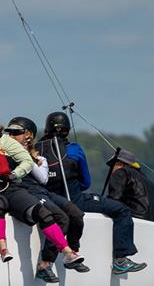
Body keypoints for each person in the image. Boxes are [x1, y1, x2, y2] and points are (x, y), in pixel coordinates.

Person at [0, 114, 87, 270]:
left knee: (44, 212)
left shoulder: (5, 143)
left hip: (10, 186)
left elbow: (28, 162)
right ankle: (4, 249)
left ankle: (68, 252)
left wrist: (15, 174)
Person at [37, 111, 147, 275]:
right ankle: (120, 260)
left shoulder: (36, 151)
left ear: (46, 130)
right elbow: (86, 182)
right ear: (67, 130)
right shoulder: (74, 150)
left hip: (49, 203)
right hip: (76, 200)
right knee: (122, 210)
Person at [4, 116, 88, 282]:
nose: (11, 137)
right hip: (27, 191)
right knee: (61, 218)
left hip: (42, 190)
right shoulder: (6, 154)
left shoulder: (39, 158)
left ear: (28, 135)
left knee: (76, 214)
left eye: (16, 133)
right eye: (10, 133)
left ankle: (72, 251)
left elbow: (43, 179)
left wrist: (27, 156)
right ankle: (46, 263)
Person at [106, 150, 154, 223]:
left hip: (133, 223)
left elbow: (112, 203)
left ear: (119, 164)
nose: (111, 170)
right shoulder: (152, 184)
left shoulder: (121, 172)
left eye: (112, 166)